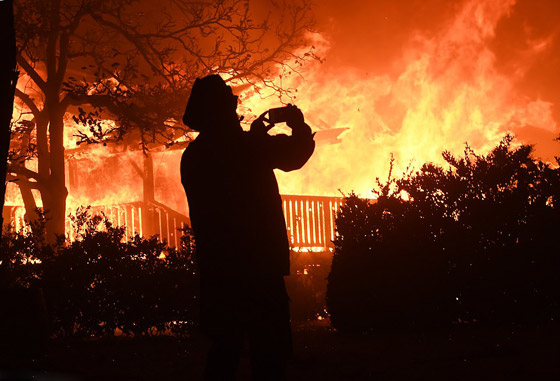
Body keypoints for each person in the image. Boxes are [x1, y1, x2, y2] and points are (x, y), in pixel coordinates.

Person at [180, 74, 315, 380]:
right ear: (221, 110)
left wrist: (254, 135)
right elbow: (294, 155)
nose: (235, 107)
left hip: (219, 268)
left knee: (224, 351)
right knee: (269, 353)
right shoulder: (246, 147)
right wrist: (297, 124)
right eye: (230, 104)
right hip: (259, 266)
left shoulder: (194, 155)